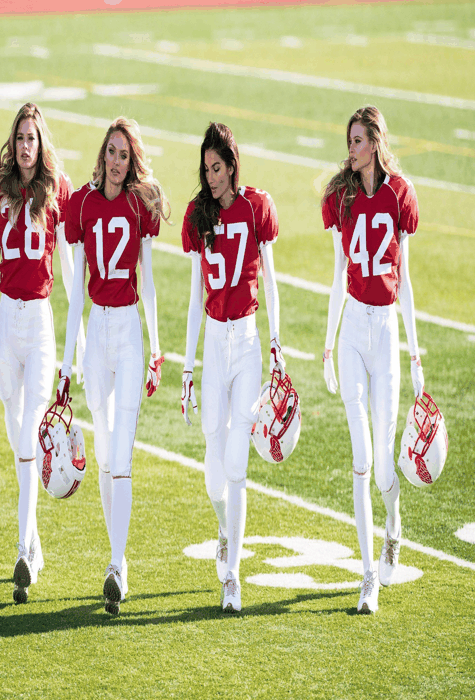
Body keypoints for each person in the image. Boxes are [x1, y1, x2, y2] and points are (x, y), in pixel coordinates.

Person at [0, 103, 84, 604]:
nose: (25, 146)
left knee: (31, 430)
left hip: (38, 321)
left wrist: (75, 344)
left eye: (32, 138)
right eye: (19, 138)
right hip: (6, 323)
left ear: (42, 141)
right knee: (17, 436)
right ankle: (34, 542)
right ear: (12, 143)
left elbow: (70, 272)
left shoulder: (58, 189)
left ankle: (21, 550)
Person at [56, 117, 169, 615]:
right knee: (104, 454)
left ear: (131, 158)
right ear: (102, 155)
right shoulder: (80, 204)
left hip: (127, 331)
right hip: (96, 332)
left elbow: (148, 279)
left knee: (120, 455)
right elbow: (75, 291)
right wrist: (67, 358)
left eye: (125, 154)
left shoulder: (139, 204)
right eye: (112, 152)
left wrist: (158, 347)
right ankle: (115, 556)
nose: (118, 161)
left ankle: (117, 564)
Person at [180, 122, 286, 613]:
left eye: (217, 167)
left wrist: (277, 345)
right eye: (206, 169)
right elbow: (194, 295)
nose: (211, 177)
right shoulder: (198, 213)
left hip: (245, 339)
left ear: (232, 163)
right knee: (213, 467)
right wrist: (186, 365)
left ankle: (233, 577)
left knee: (238, 466)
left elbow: (272, 277)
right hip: (213, 344)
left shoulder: (256, 206)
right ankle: (224, 527)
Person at [321, 105, 424, 614]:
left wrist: (414, 349)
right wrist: (326, 342)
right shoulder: (340, 197)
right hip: (353, 330)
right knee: (360, 459)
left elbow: (404, 281)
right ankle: (367, 577)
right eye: (350, 139)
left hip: (384, 328)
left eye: (359, 139)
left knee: (384, 464)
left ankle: (394, 523)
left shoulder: (398, 194)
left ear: (376, 143)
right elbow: (339, 273)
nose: (352, 147)